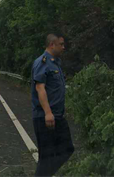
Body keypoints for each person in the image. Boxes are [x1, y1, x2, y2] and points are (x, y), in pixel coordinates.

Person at [31, 33, 75, 176]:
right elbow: (40, 88)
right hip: (45, 117)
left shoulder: (56, 63)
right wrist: (48, 113)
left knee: (67, 149)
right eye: (61, 44)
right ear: (52, 45)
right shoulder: (42, 62)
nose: (63, 47)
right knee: (46, 157)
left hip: (58, 116)